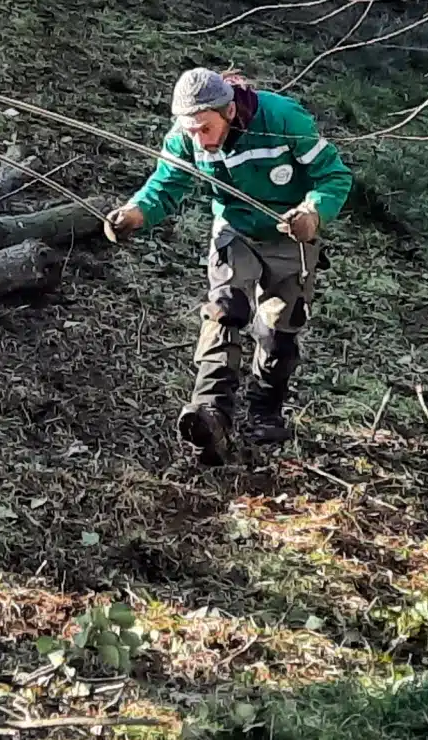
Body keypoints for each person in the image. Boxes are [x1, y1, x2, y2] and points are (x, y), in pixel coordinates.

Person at [107, 68, 354, 464]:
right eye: (190, 132)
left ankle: (264, 410)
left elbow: (334, 176)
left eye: (205, 129)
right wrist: (135, 214)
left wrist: (313, 214)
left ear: (230, 110)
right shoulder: (188, 137)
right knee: (224, 311)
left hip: (290, 235)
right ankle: (211, 412)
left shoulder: (283, 120)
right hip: (234, 230)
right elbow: (165, 184)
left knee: (278, 327)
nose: (199, 141)